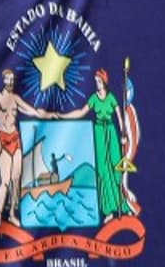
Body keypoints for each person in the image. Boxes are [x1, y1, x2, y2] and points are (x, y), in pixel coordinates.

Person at [56, 68, 131, 223]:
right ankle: (108, 210)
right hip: (99, 133)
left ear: (104, 81)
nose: (96, 84)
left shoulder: (111, 98)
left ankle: (121, 205)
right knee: (103, 172)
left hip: (111, 132)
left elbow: (119, 117)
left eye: (98, 81)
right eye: (95, 81)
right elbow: (81, 112)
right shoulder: (94, 99)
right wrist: (63, 116)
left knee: (116, 169)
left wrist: (123, 134)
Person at [0, 68, 49, 226]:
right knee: (5, 180)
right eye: (7, 79)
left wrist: (43, 114)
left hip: (15, 139)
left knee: (16, 180)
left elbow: (31, 110)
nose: (10, 82)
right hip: (4, 139)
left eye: (12, 79)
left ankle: (12, 214)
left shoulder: (15, 98)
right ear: (3, 80)